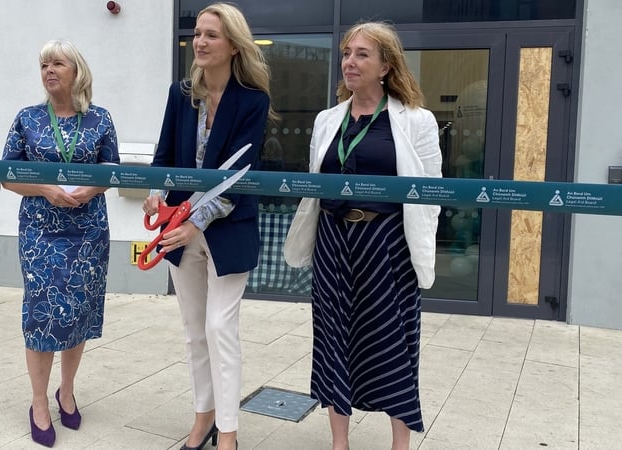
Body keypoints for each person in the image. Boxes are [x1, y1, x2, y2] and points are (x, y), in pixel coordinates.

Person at [285, 22, 442, 450]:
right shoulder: (327, 120)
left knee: (393, 342)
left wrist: (417, 245)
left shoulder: (417, 121)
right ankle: (340, 443)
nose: (350, 62)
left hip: (387, 245)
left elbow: (432, 193)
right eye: (347, 53)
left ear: (386, 66)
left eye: (362, 55)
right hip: (334, 242)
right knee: (333, 339)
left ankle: (400, 444)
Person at [141, 3, 276, 450]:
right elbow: (164, 159)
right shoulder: (181, 95)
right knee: (194, 330)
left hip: (225, 228)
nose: (199, 41)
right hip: (178, 229)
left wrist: (195, 224)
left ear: (234, 45)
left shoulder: (252, 101)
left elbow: (240, 175)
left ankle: (230, 432)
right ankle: (203, 418)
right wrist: (156, 194)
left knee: (220, 327)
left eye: (210, 35)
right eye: (196, 33)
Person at [1, 39, 119, 448]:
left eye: (58, 63)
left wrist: (90, 189)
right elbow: (6, 175)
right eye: (43, 65)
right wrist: (45, 189)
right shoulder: (27, 119)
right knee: (41, 312)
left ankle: (66, 390)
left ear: (76, 71)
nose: (49, 70)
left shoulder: (99, 119)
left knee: (79, 310)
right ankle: (38, 402)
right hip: (41, 232)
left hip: (87, 229)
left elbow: (112, 172)